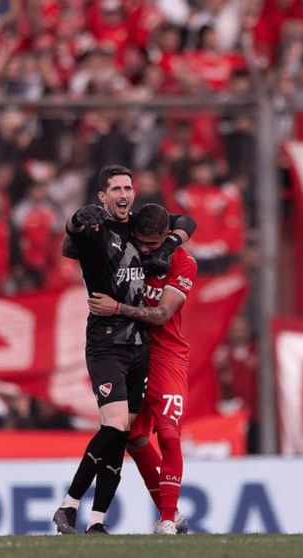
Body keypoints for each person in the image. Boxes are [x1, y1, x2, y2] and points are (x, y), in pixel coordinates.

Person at [52, 165, 194, 535]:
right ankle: (69, 505)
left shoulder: (137, 227)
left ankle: (97, 520)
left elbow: (184, 221)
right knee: (116, 425)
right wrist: (73, 221)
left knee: (126, 433)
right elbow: (72, 242)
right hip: (106, 341)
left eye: (128, 187)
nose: (123, 193)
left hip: (138, 347)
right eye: (115, 188)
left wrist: (171, 243)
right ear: (102, 196)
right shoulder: (99, 230)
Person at [87, 203, 198, 535]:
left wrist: (117, 308)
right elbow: (184, 221)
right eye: (142, 242)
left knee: (168, 433)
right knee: (134, 439)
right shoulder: (126, 248)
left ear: (166, 238)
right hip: (131, 353)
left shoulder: (182, 261)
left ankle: (165, 520)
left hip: (167, 356)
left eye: (154, 244)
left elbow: (163, 315)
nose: (147, 250)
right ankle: (173, 515)